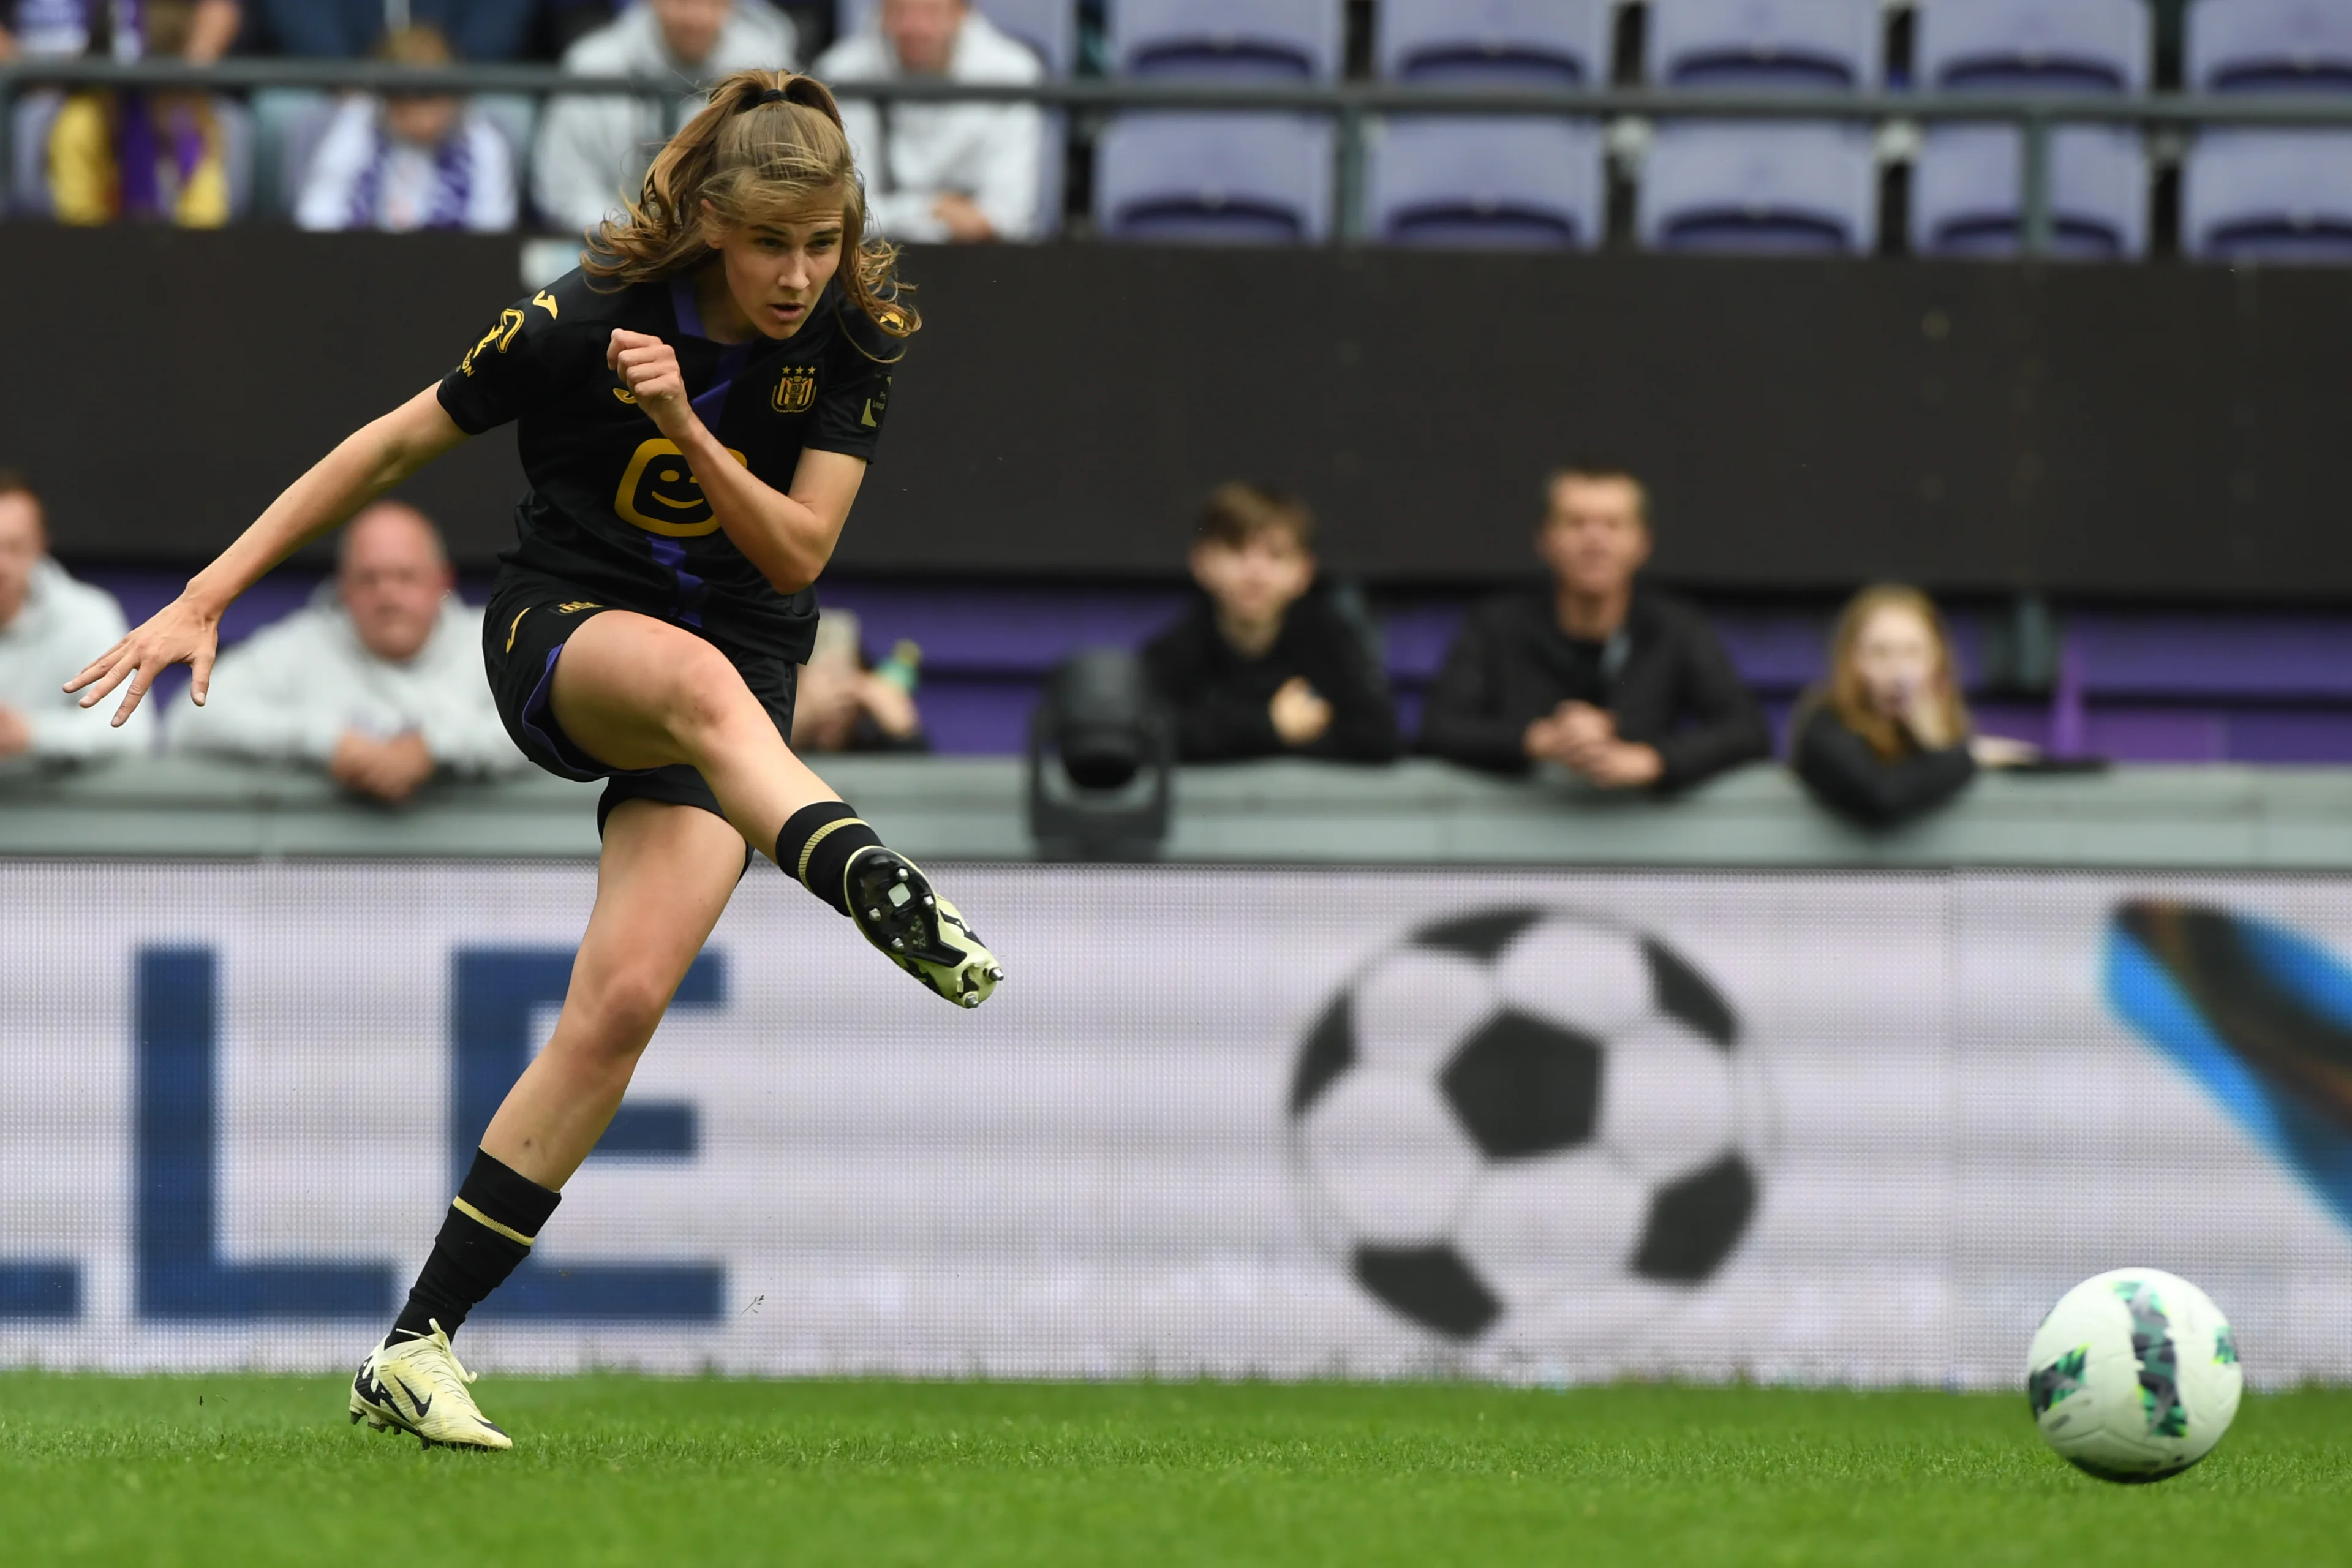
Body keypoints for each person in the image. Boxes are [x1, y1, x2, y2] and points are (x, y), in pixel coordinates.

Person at [68, 69, 1000, 1452]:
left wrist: (686, 422)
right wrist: (209, 591)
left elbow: (798, 555)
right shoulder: (580, 315)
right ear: (709, 224)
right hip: (564, 634)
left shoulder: (854, 335)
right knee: (691, 688)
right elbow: (388, 445)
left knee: (619, 1006)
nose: (800, 275)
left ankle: (414, 1344)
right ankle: (860, 869)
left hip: (741, 682)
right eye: (771, 247)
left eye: (823, 243)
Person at [1421, 466, 1770, 791]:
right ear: (1545, 540)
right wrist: (1539, 739)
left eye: (1613, 524)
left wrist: (1655, 760)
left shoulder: (1675, 625)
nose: (1594, 541)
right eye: (1576, 523)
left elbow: (1746, 730)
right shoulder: (1497, 623)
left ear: (1642, 543)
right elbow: (1438, 729)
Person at [164, 502, 522, 801]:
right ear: (343, 587)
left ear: (443, 582)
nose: (388, 596)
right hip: (321, 873)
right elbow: (189, 717)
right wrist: (326, 741)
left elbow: (556, 722)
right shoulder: (301, 644)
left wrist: (434, 749)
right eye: (369, 578)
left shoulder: (494, 640)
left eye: (406, 576)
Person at [1142, 483, 1399, 764]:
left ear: (1304, 571)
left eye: (1275, 555)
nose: (1256, 573)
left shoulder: (1330, 641)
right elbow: (1152, 737)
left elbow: (1379, 738)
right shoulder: (1176, 650)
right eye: (1236, 550)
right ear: (1202, 563)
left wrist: (1235, 737)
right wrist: (1270, 727)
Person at [532, 0, 800, 240]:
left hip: (724, 252)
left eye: (713, 2)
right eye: (682, 2)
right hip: (610, 251)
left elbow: (781, 185)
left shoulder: (769, 68)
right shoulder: (591, 65)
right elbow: (566, 189)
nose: (697, 18)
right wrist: (636, 240)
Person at [1790, 583, 2037, 827]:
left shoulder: (1948, 725)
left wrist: (1937, 743)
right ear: (1853, 661)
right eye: (1880, 653)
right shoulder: (1825, 725)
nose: (1899, 673)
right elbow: (1882, 797)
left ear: (1938, 661)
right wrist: (1966, 757)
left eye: (1913, 653)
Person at [813, 0, 1046, 244]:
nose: (915, 27)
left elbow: (1008, 218)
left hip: (983, 263)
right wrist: (933, 209)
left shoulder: (1015, 74)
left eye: (932, 12)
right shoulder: (840, 74)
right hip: (869, 259)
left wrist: (895, 213)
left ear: (962, 13)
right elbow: (844, 212)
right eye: (899, 12)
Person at [293, 25, 519, 233]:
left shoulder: (481, 140)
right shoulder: (356, 125)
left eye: (434, 98)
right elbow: (317, 220)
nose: (425, 118)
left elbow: (493, 232)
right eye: (412, 99)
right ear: (387, 99)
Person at [45, 0, 239, 227]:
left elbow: (206, 223)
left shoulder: (193, 121)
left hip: (181, 257)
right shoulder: (82, 123)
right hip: (102, 256)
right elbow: (79, 228)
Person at [0, 470, 140, 764]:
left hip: (45, 804)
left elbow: (131, 729)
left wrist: (30, 733)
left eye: (14, 547)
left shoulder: (87, 615)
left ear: (41, 545)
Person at [791, 607, 928, 753]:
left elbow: (917, 771)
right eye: (829, 677)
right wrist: (801, 720)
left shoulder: (869, 742)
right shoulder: (771, 734)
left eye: (845, 675)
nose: (838, 694)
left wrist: (903, 728)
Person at [249, 0, 538, 60]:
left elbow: (495, 26)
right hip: (341, 89)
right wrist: (345, 80)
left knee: (509, 114)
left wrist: (448, 85)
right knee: (281, 112)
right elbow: (299, 15)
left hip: (453, 90)